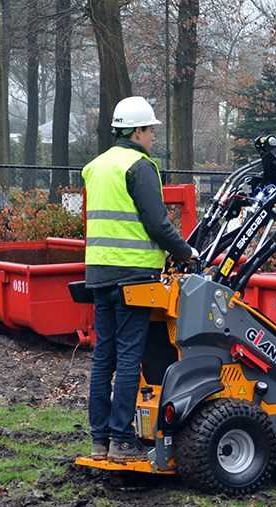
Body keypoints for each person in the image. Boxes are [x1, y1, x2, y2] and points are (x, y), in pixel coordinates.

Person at [82, 96, 197, 462]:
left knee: (104, 356)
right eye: (150, 131)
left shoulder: (95, 167)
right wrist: (186, 252)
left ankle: (100, 440)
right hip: (133, 275)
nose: (153, 137)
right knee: (131, 355)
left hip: (99, 273)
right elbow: (157, 223)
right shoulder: (140, 166)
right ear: (136, 131)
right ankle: (122, 439)